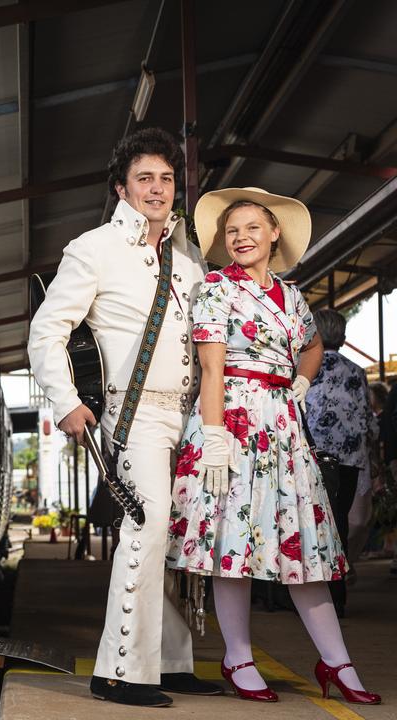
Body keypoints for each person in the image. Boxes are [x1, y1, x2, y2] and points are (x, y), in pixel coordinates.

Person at [166, 187, 380, 705]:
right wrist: (213, 437)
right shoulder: (216, 288)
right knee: (233, 544)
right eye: (232, 231)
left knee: (302, 544)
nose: (240, 238)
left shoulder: (291, 294)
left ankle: (337, 662)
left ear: (274, 234)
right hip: (233, 420)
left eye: (251, 228)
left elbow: (312, 346)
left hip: (281, 424)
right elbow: (213, 368)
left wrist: (301, 383)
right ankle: (238, 655)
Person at [29, 128, 218, 707]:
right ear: (122, 187)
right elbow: (45, 331)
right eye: (145, 179)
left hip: (185, 420)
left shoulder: (190, 262)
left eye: (165, 179)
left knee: (174, 537)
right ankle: (118, 671)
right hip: (130, 417)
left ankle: (172, 661)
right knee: (147, 525)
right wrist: (66, 402)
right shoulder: (93, 249)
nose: (156, 189)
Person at [304, 308, 367, 613]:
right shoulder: (357, 372)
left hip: (314, 456)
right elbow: (366, 419)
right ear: (342, 335)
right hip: (350, 458)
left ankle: (315, 597)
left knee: (313, 521)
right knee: (339, 521)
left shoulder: (307, 366)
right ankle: (337, 596)